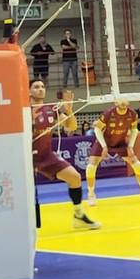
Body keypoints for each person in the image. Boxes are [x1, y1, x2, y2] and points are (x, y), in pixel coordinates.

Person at [30, 83, 100, 230]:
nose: (41, 89)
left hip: (45, 155)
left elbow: (71, 126)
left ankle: (78, 215)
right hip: (26, 156)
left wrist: (69, 111)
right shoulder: (23, 110)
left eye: (43, 86)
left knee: (74, 177)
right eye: (36, 87)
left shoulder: (50, 110)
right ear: (29, 91)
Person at [86, 99, 140, 206]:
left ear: (128, 103)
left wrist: (130, 146)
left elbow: (134, 130)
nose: (123, 103)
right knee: (91, 166)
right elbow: (97, 129)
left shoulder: (132, 114)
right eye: (120, 101)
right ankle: (91, 194)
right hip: (105, 140)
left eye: (125, 101)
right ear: (115, 103)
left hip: (120, 141)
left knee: (137, 164)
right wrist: (104, 146)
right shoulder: (108, 113)